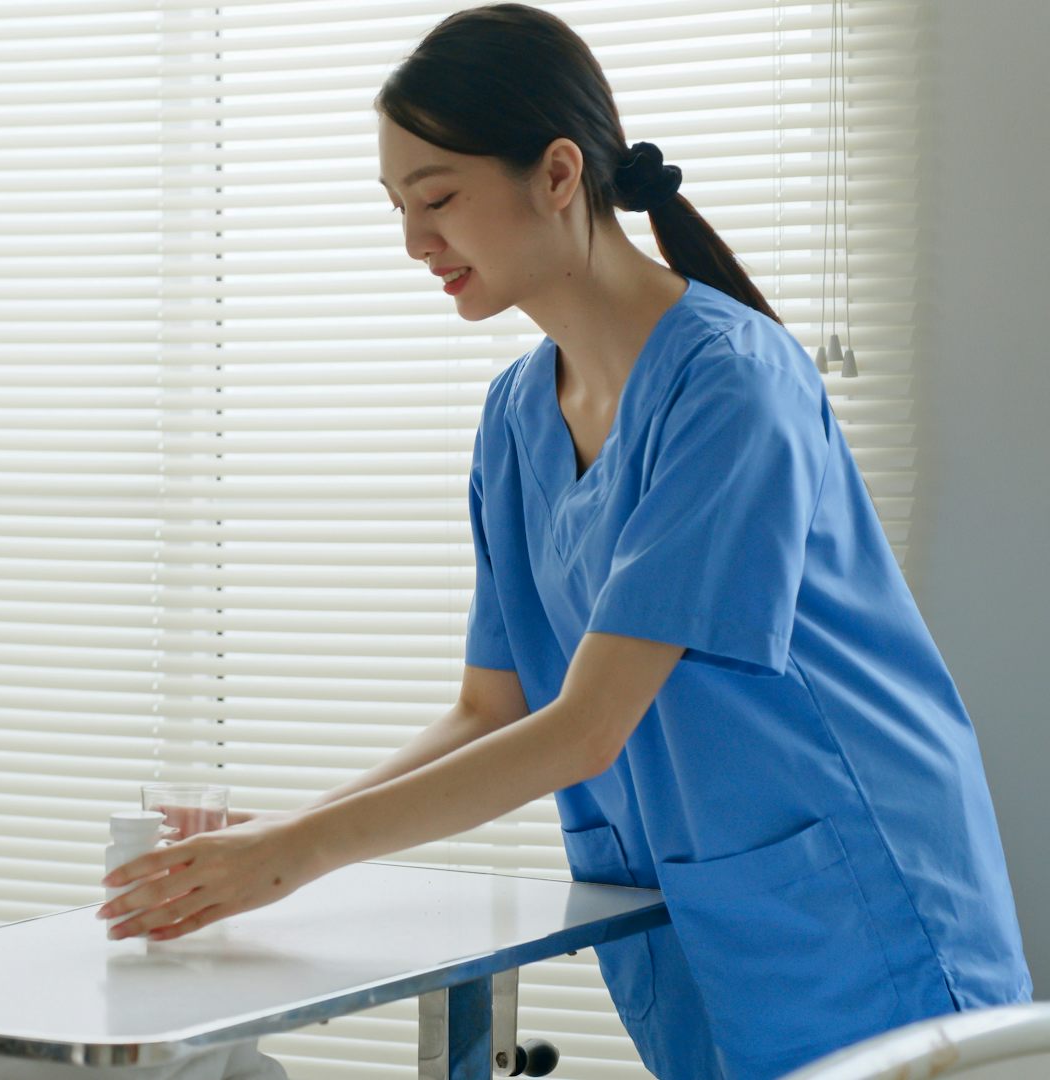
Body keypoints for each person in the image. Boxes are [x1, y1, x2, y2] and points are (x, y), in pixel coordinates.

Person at [99, 6, 1032, 1078]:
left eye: (438, 199)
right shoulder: (515, 420)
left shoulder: (732, 386)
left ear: (556, 174)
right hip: (698, 920)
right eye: (398, 207)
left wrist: (293, 855)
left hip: (860, 912)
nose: (414, 241)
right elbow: (489, 710)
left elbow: (586, 728)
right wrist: (273, 843)